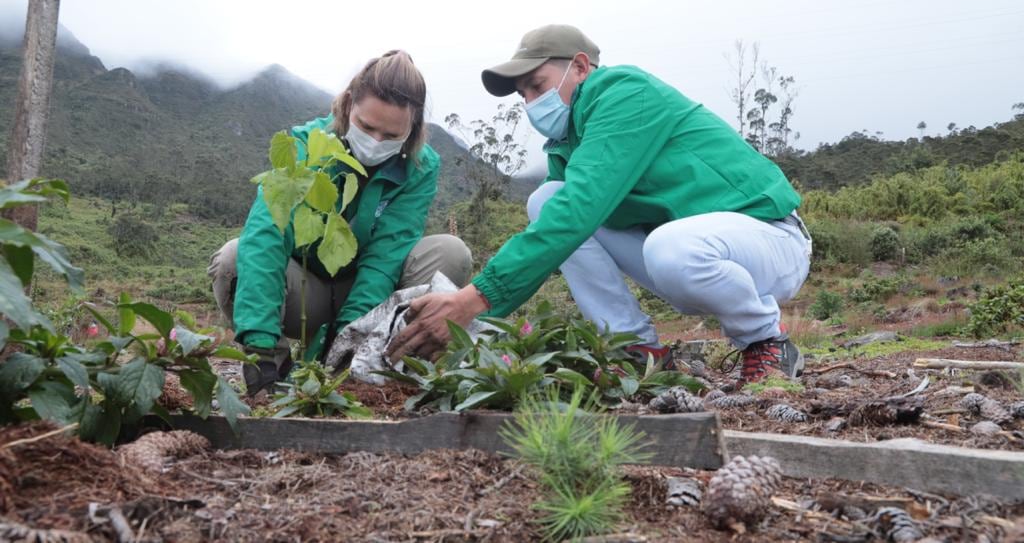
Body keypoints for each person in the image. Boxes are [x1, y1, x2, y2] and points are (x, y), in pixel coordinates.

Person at [388, 26, 811, 387]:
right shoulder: (567, 145)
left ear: (580, 67)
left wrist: (474, 298)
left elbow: (580, 208)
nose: (530, 101)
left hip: (770, 239)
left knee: (660, 243)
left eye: (537, 85)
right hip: (689, 257)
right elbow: (560, 226)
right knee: (546, 200)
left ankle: (766, 342)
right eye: (523, 94)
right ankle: (635, 349)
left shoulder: (625, 93)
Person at [208, 50, 473, 395]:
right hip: (306, 291)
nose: (376, 142)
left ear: (412, 128)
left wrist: (344, 344)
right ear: (348, 105)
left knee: (450, 253)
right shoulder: (305, 147)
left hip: (372, 299)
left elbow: (385, 259)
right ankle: (275, 363)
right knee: (233, 257)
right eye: (366, 127)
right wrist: (259, 346)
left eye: (391, 135)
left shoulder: (420, 168)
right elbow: (267, 235)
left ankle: (387, 366)